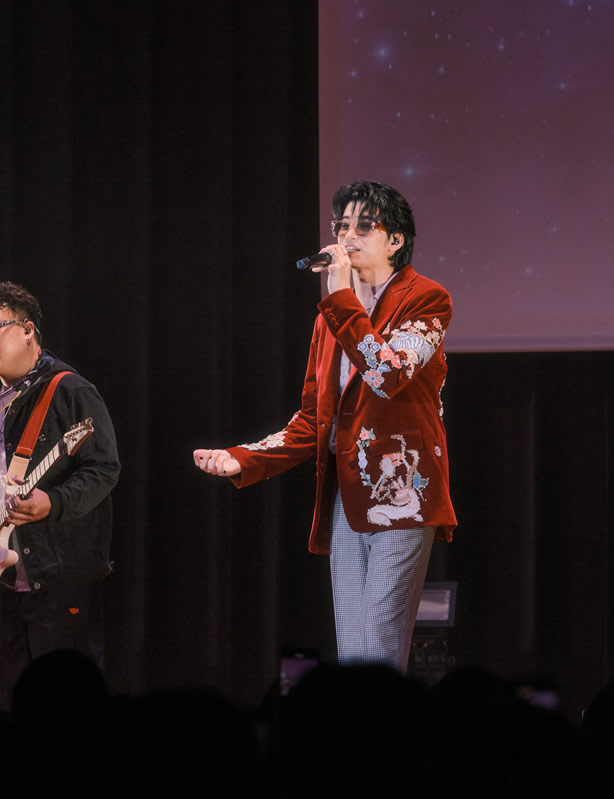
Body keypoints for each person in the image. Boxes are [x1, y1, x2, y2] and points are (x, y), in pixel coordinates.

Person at [193, 180, 457, 671]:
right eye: (340, 226)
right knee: (354, 651)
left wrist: (339, 297)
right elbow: (315, 419)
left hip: (404, 489)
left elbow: (387, 375)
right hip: (346, 492)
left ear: (395, 240)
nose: (346, 236)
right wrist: (244, 457)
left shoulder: (426, 299)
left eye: (363, 226)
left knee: (379, 646)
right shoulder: (329, 320)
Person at [0, 281, 119, 709]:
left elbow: (103, 470)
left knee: (66, 709)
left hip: (59, 583)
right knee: (6, 706)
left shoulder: (70, 390)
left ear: (27, 331)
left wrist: (52, 504)